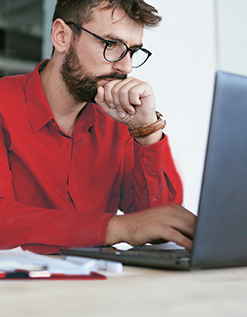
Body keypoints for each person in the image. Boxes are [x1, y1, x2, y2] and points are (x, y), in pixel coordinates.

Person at [0, 0, 196, 254]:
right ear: (62, 36)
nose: (125, 67)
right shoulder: (4, 106)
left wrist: (146, 130)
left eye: (132, 52)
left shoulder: (119, 120)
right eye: (111, 45)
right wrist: (118, 227)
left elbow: (158, 220)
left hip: (100, 285)